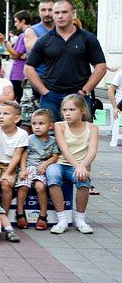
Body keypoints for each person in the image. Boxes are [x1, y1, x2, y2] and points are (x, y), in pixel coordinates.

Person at [24, 0, 107, 122]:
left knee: (80, 132)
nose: (60, 16)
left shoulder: (87, 38)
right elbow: (28, 67)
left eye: (64, 12)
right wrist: (44, 91)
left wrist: (86, 89)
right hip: (51, 97)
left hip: (78, 96)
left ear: (73, 13)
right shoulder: (44, 40)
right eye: (56, 12)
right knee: (49, 133)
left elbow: (101, 66)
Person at [48, 94, 99, 234]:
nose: (67, 113)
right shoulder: (59, 126)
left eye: (72, 109)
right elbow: (64, 150)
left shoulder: (92, 128)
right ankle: (62, 219)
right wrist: (79, 166)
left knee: (83, 179)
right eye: (64, 110)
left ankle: (80, 219)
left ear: (82, 111)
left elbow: (92, 151)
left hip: (79, 166)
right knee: (52, 174)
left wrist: (82, 166)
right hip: (60, 163)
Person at [0, 101, 26, 242]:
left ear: (16, 118)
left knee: (6, 184)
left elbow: (17, 156)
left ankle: (4, 215)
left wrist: (8, 173)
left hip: (10, 165)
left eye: (6, 114)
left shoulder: (22, 134)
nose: (1, 116)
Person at [15, 109, 58, 230]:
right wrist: (23, 169)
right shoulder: (29, 139)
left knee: (40, 187)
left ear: (50, 126)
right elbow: (24, 155)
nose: (37, 127)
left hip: (41, 168)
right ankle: (20, 213)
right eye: (34, 124)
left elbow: (55, 156)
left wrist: (45, 164)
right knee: (23, 186)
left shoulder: (53, 141)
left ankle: (43, 216)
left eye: (41, 124)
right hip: (29, 167)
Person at [9, 10, 35, 102]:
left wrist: (7, 45)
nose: (15, 24)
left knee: (19, 99)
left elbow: (16, 54)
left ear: (22, 21)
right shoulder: (33, 33)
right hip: (24, 73)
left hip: (19, 73)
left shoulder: (23, 35)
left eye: (16, 21)